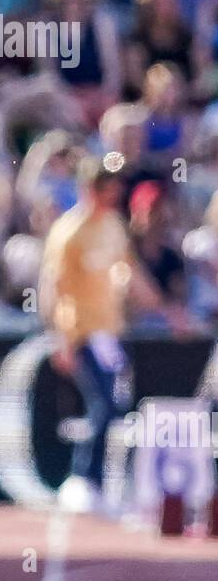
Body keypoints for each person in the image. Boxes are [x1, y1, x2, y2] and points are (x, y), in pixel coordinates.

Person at [39, 155, 178, 512]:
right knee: (103, 404)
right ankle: (82, 478)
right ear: (90, 189)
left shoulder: (114, 225)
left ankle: (102, 481)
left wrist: (165, 310)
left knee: (114, 407)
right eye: (108, 188)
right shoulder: (69, 232)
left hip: (111, 334)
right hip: (82, 333)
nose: (115, 194)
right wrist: (60, 338)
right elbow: (53, 287)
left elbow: (131, 272)